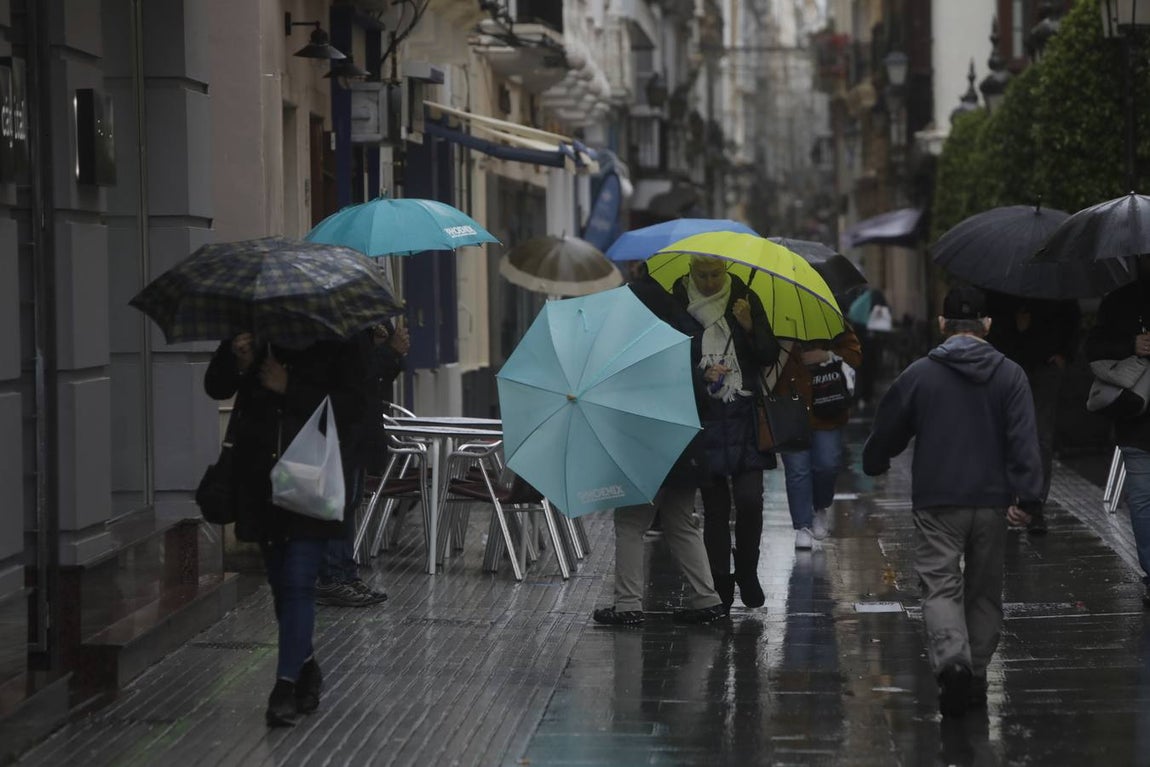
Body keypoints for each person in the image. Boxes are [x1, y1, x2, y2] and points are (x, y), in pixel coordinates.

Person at [862, 286, 1042, 718]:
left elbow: (889, 427)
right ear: (987, 325)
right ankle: (976, 673)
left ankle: (953, 663)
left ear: (941, 325)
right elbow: (1024, 441)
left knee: (940, 585)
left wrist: (875, 459)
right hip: (992, 500)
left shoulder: (920, 374)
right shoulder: (1011, 375)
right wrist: (1029, 497)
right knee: (984, 592)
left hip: (938, 498)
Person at [205, 331, 369, 727]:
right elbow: (216, 386)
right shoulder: (256, 328)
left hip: (313, 482)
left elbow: (355, 407)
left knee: (298, 582)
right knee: (281, 585)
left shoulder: (342, 335)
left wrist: (290, 387)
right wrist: (238, 359)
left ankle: (283, 686)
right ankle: (306, 664)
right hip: (261, 481)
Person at [591, 263, 726, 626]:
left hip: (641, 445)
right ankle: (706, 599)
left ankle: (628, 605)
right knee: (682, 522)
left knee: (631, 522)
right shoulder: (682, 324)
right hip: (683, 445)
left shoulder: (623, 328)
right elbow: (699, 394)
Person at [673, 255, 781, 611]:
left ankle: (747, 570)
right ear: (690, 272)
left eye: (715, 275)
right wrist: (698, 373)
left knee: (750, 499)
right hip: (703, 415)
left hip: (745, 413)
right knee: (715, 508)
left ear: (726, 271)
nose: (708, 282)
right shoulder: (678, 302)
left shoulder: (744, 298)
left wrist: (750, 327)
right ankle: (720, 581)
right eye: (701, 276)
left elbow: (768, 354)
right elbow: (670, 355)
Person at [314, 319, 409, 607]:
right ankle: (332, 576)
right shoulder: (338, 329)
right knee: (338, 503)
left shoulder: (354, 332)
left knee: (351, 500)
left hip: (355, 430)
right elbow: (357, 376)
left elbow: (370, 379)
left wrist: (378, 346)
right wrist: (389, 351)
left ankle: (344, 572)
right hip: (342, 428)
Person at [986, 292, 1080, 535]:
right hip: (1009, 361)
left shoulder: (1053, 283)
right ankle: (1009, 502)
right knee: (1007, 432)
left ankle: (1033, 505)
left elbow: (1071, 315)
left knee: (1041, 437)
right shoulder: (1001, 285)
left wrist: (1063, 354)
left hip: (1044, 364)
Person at [1086, 266, 1150, 607]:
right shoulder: (1122, 301)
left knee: (1142, 501)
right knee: (1142, 500)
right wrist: (1132, 344)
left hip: (1135, 422)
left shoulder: (1119, 300)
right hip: (1137, 419)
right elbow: (1094, 350)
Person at [777, 325, 862, 549]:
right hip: (789, 405)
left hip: (827, 406)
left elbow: (855, 355)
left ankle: (820, 506)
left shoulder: (831, 317)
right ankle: (802, 526)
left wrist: (828, 355)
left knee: (827, 464)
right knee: (797, 470)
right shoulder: (777, 321)